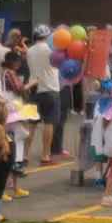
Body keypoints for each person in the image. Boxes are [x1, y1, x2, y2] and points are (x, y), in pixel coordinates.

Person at [27, 26, 68, 164]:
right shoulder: (52, 51)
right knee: (49, 123)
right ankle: (45, 155)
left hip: (33, 88)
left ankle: (24, 155)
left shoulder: (30, 50)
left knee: (31, 123)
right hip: (50, 88)